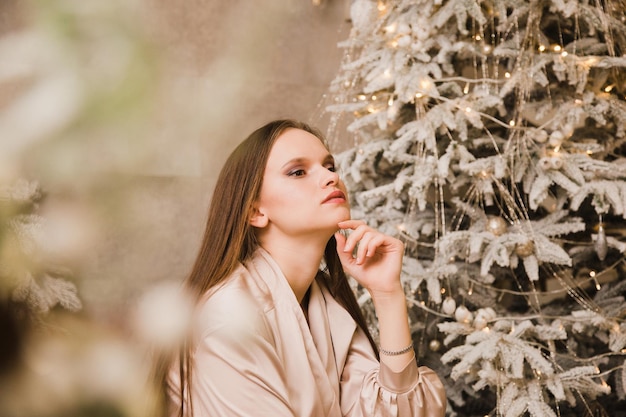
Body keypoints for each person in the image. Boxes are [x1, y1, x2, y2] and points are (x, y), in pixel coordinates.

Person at [159, 119, 446, 417]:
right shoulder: (228, 317)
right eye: (298, 172)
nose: (330, 177)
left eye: (330, 166)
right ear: (256, 211)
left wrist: (388, 295)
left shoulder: (325, 304)